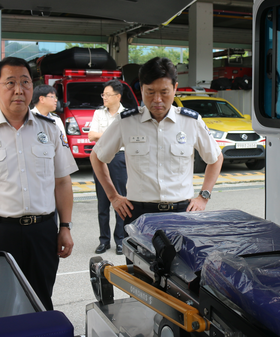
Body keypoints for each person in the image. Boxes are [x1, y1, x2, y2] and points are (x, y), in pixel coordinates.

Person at [0, 57, 78, 310]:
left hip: (42, 233)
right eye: (10, 83)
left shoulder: (50, 129)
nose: (19, 90)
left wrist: (65, 226)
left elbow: (62, 182)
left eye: (25, 82)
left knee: (40, 302)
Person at [90, 57, 223, 231]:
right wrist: (113, 196)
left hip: (181, 213)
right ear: (141, 89)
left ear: (175, 88)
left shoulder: (191, 122)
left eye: (164, 92)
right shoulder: (126, 122)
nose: (157, 99)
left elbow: (216, 158)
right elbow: (97, 157)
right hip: (139, 214)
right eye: (150, 92)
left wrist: (203, 197)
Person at [88, 80, 128, 255]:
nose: (104, 98)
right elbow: (91, 135)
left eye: (107, 95)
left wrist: (103, 136)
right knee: (102, 203)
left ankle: (120, 240)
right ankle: (104, 241)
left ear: (118, 96)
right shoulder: (98, 113)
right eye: (103, 95)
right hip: (101, 158)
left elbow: (128, 137)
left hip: (119, 159)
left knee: (121, 200)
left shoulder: (127, 115)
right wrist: (114, 134)